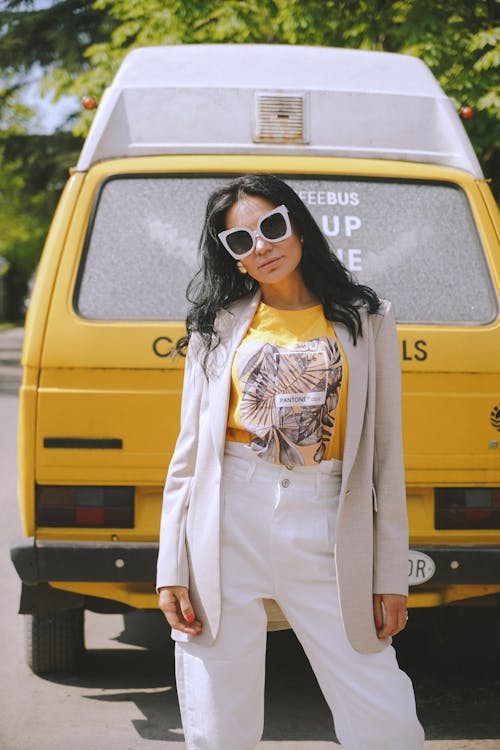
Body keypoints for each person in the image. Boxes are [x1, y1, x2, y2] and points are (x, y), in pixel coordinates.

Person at [157, 173, 425, 750]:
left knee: (387, 718)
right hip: (226, 518)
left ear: (297, 223)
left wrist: (389, 572)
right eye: (241, 241)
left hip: (327, 518)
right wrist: (171, 568)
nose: (263, 246)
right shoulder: (216, 325)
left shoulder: (366, 316)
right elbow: (188, 457)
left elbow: (384, 454)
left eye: (272, 226)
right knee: (218, 721)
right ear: (232, 257)